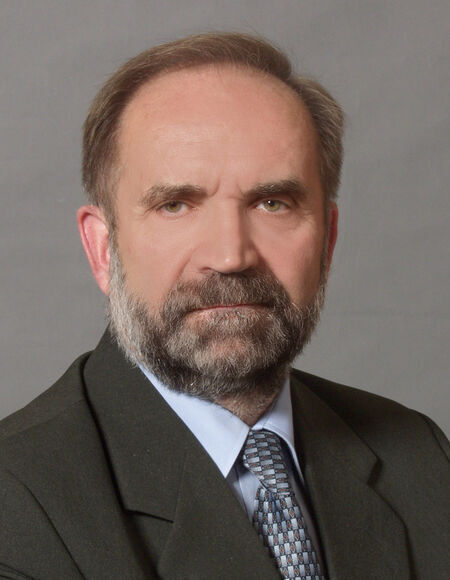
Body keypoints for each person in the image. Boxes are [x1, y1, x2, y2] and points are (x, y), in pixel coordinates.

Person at [0, 32, 448, 580]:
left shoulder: (419, 456)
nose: (231, 256)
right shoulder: (15, 505)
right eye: (175, 205)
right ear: (103, 248)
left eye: (272, 203)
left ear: (327, 241)